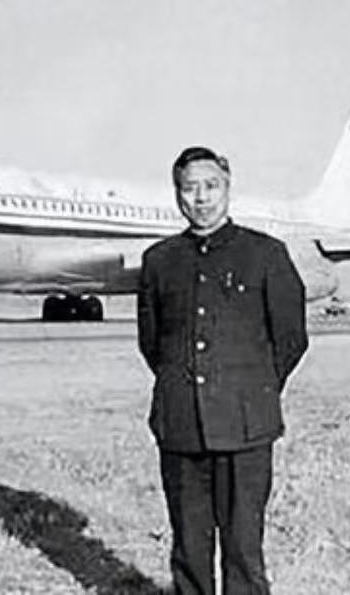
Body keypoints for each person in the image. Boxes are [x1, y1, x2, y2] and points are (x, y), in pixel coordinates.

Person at [137, 146, 310, 594]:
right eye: (189, 188)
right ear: (177, 194)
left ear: (228, 188)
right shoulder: (159, 261)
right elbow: (154, 344)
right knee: (189, 550)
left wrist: (250, 390)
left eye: (211, 186)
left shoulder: (266, 254)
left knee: (243, 549)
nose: (201, 198)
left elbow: (291, 338)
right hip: (180, 427)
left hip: (245, 427)